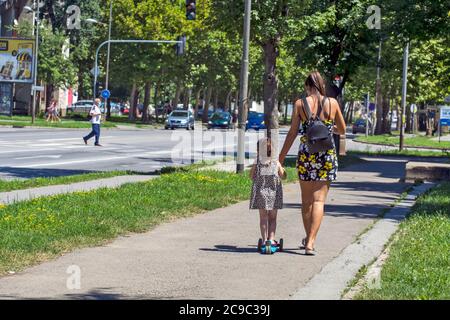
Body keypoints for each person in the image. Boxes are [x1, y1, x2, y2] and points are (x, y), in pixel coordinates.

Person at [278, 71, 346, 256]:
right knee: (319, 200)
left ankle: (308, 237)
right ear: (322, 86)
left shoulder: (300, 104)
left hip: (306, 156)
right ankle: (310, 242)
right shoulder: (332, 103)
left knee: (306, 201)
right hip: (326, 156)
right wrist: (329, 129)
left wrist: (280, 159)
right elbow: (342, 128)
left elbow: (292, 133)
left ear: (307, 86)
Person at [250, 137, 286, 250]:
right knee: (273, 218)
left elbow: (251, 176)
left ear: (258, 151)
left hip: (261, 193)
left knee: (263, 218)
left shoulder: (257, 162)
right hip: (274, 194)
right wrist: (283, 171)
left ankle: (264, 240)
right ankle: (271, 239)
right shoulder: (276, 162)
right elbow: (283, 176)